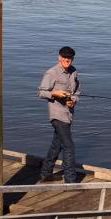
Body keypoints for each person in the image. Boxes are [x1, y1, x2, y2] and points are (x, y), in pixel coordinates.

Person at [38, 46, 80, 183]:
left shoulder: (74, 72)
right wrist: (54, 93)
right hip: (57, 115)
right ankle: (70, 180)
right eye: (64, 58)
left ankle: (45, 174)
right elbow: (41, 92)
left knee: (57, 144)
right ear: (59, 57)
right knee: (69, 147)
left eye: (70, 58)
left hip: (68, 114)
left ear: (72, 59)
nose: (67, 60)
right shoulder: (51, 73)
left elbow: (77, 92)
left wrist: (73, 101)